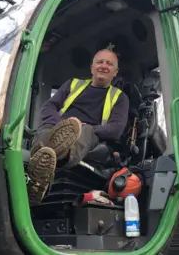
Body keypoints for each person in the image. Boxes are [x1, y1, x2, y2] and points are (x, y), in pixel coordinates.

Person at [26, 46, 130, 206]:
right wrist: (61, 126)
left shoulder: (119, 97)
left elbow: (115, 129)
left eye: (109, 64)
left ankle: (54, 162)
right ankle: (40, 166)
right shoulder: (72, 84)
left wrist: (81, 127)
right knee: (45, 130)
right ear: (92, 68)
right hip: (58, 127)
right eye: (99, 62)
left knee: (84, 131)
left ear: (115, 72)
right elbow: (48, 107)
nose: (103, 66)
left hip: (91, 134)